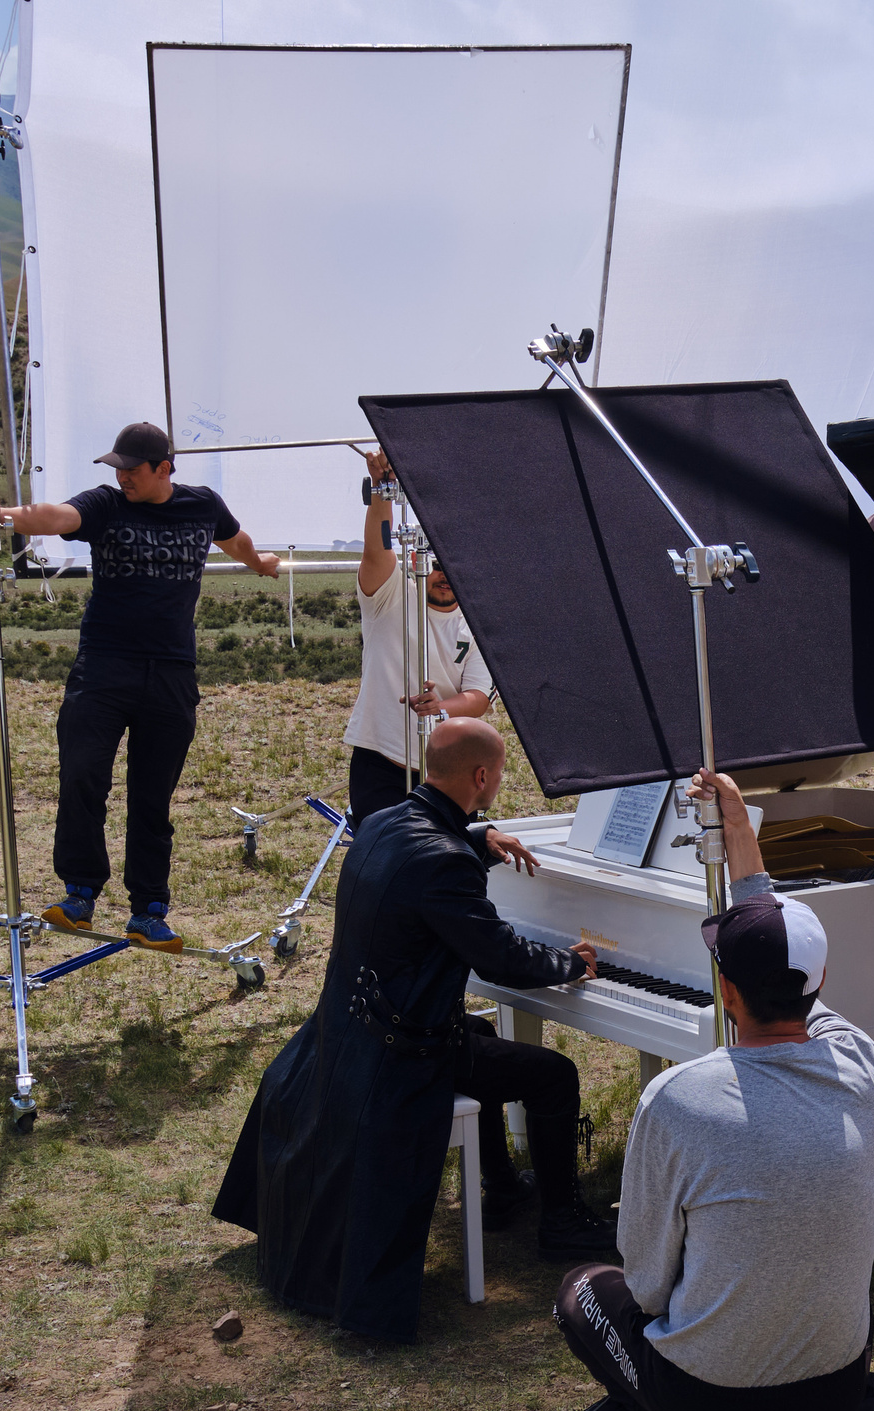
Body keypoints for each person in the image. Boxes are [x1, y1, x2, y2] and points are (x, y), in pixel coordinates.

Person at [212, 718, 617, 1343]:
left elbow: (429, 854)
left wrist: (480, 836)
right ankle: (559, 1219)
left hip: (354, 1031)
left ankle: (505, 1189)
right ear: (482, 777)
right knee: (554, 1075)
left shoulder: (380, 822)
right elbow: (501, 957)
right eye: (498, 775)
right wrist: (570, 962)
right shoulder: (445, 864)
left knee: (481, 1038)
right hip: (406, 1058)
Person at [552, 768, 874, 1411]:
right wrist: (742, 837)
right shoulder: (866, 1065)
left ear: (726, 994)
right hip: (836, 1381)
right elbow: (782, 949)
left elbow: (643, 1284)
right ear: (818, 981)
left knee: (583, 1291)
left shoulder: (675, 1099)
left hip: (708, 1397)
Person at [0, 421, 281, 950]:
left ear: (163, 468)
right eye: (117, 468)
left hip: (172, 673)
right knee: (83, 775)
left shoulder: (202, 504)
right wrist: (6, 514)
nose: (123, 478)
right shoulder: (107, 504)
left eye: (132, 469)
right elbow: (57, 516)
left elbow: (235, 538)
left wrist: (260, 562)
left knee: (152, 797)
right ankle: (80, 894)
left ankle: (149, 911)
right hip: (104, 668)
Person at [346, 451, 495, 826]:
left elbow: (478, 697)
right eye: (436, 565)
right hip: (382, 760)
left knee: (443, 864)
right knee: (384, 859)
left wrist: (439, 709)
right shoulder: (389, 594)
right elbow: (376, 548)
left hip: (446, 768)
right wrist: (383, 488)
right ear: (418, 561)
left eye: (454, 567)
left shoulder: (480, 623)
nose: (445, 575)